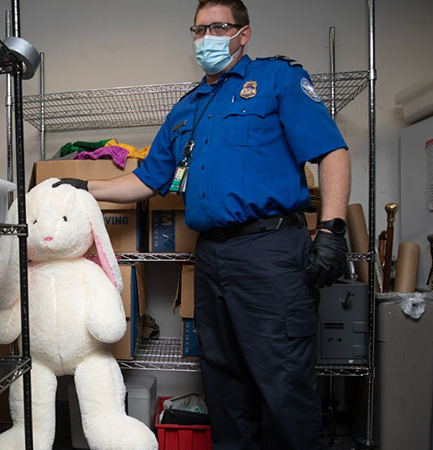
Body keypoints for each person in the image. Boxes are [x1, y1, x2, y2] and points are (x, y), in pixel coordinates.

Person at [55, 0, 350, 449]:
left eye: (218, 27)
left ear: (243, 34)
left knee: (283, 381)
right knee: (224, 381)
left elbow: (331, 151)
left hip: (269, 251)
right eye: (199, 30)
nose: (206, 38)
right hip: (210, 255)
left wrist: (331, 229)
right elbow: (147, 179)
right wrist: (84, 188)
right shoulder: (187, 108)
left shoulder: (276, 79)